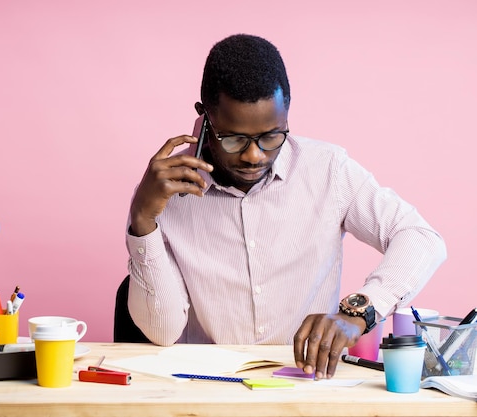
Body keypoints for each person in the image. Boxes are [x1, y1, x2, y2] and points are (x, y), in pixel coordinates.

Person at [125, 34, 446, 379]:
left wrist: (360, 312)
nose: (254, 155)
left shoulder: (329, 171)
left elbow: (420, 238)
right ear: (205, 117)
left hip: (304, 384)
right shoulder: (163, 193)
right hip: (209, 389)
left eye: (271, 136)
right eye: (233, 138)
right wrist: (142, 219)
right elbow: (162, 331)